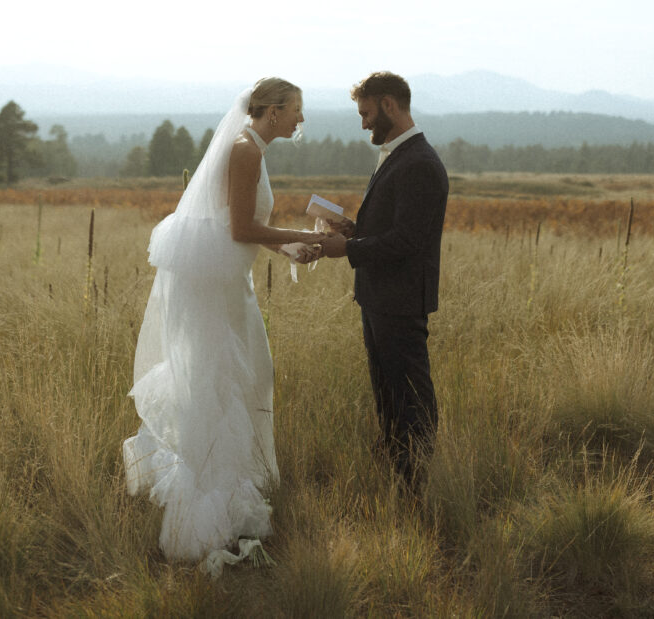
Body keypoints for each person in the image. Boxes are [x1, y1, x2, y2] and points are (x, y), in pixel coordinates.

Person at [123, 78, 324, 575]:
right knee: (223, 385)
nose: (301, 119)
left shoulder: (250, 147)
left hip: (226, 281)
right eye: (296, 110)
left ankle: (228, 493)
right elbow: (239, 230)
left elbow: (236, 227)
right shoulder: (245, 150)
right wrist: (298, 234)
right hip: (215, 289)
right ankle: (204, 513)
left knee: (243, 378)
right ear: (273, 112)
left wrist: (289, 248)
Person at [321, 71, 449, 491]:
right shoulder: (399, 155)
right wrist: (355, 230)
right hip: (379, 298)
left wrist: (349, 250)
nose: (363, 124)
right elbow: (395, 227)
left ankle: (418, 482)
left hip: (400, 300)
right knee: (388, 394)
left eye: (366, 113)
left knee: (410, 395)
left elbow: (409, 240)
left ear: (389, 106)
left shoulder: (420, 163)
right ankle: (399, 474)